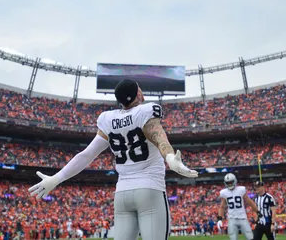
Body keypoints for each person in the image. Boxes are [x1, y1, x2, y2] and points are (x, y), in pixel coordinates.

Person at [28, 79, 198, 240]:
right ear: (137, 93)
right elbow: (160, 139)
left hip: (122, 193)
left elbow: (86, 155)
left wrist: (57, 178)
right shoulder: (145, 111)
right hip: (150, 189)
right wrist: (170, 158)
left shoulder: (108, 119)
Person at [218, 173, 259, 240]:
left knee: (251, 237)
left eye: (231, 182)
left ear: (235, 181)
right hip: (232, 219)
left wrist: (258, 211)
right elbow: (222, 206)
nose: (230, 184)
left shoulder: (241, 189)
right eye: (228, 183)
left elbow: (249, 202)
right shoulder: (224, 192)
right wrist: (219, 218)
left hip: (242, 218)